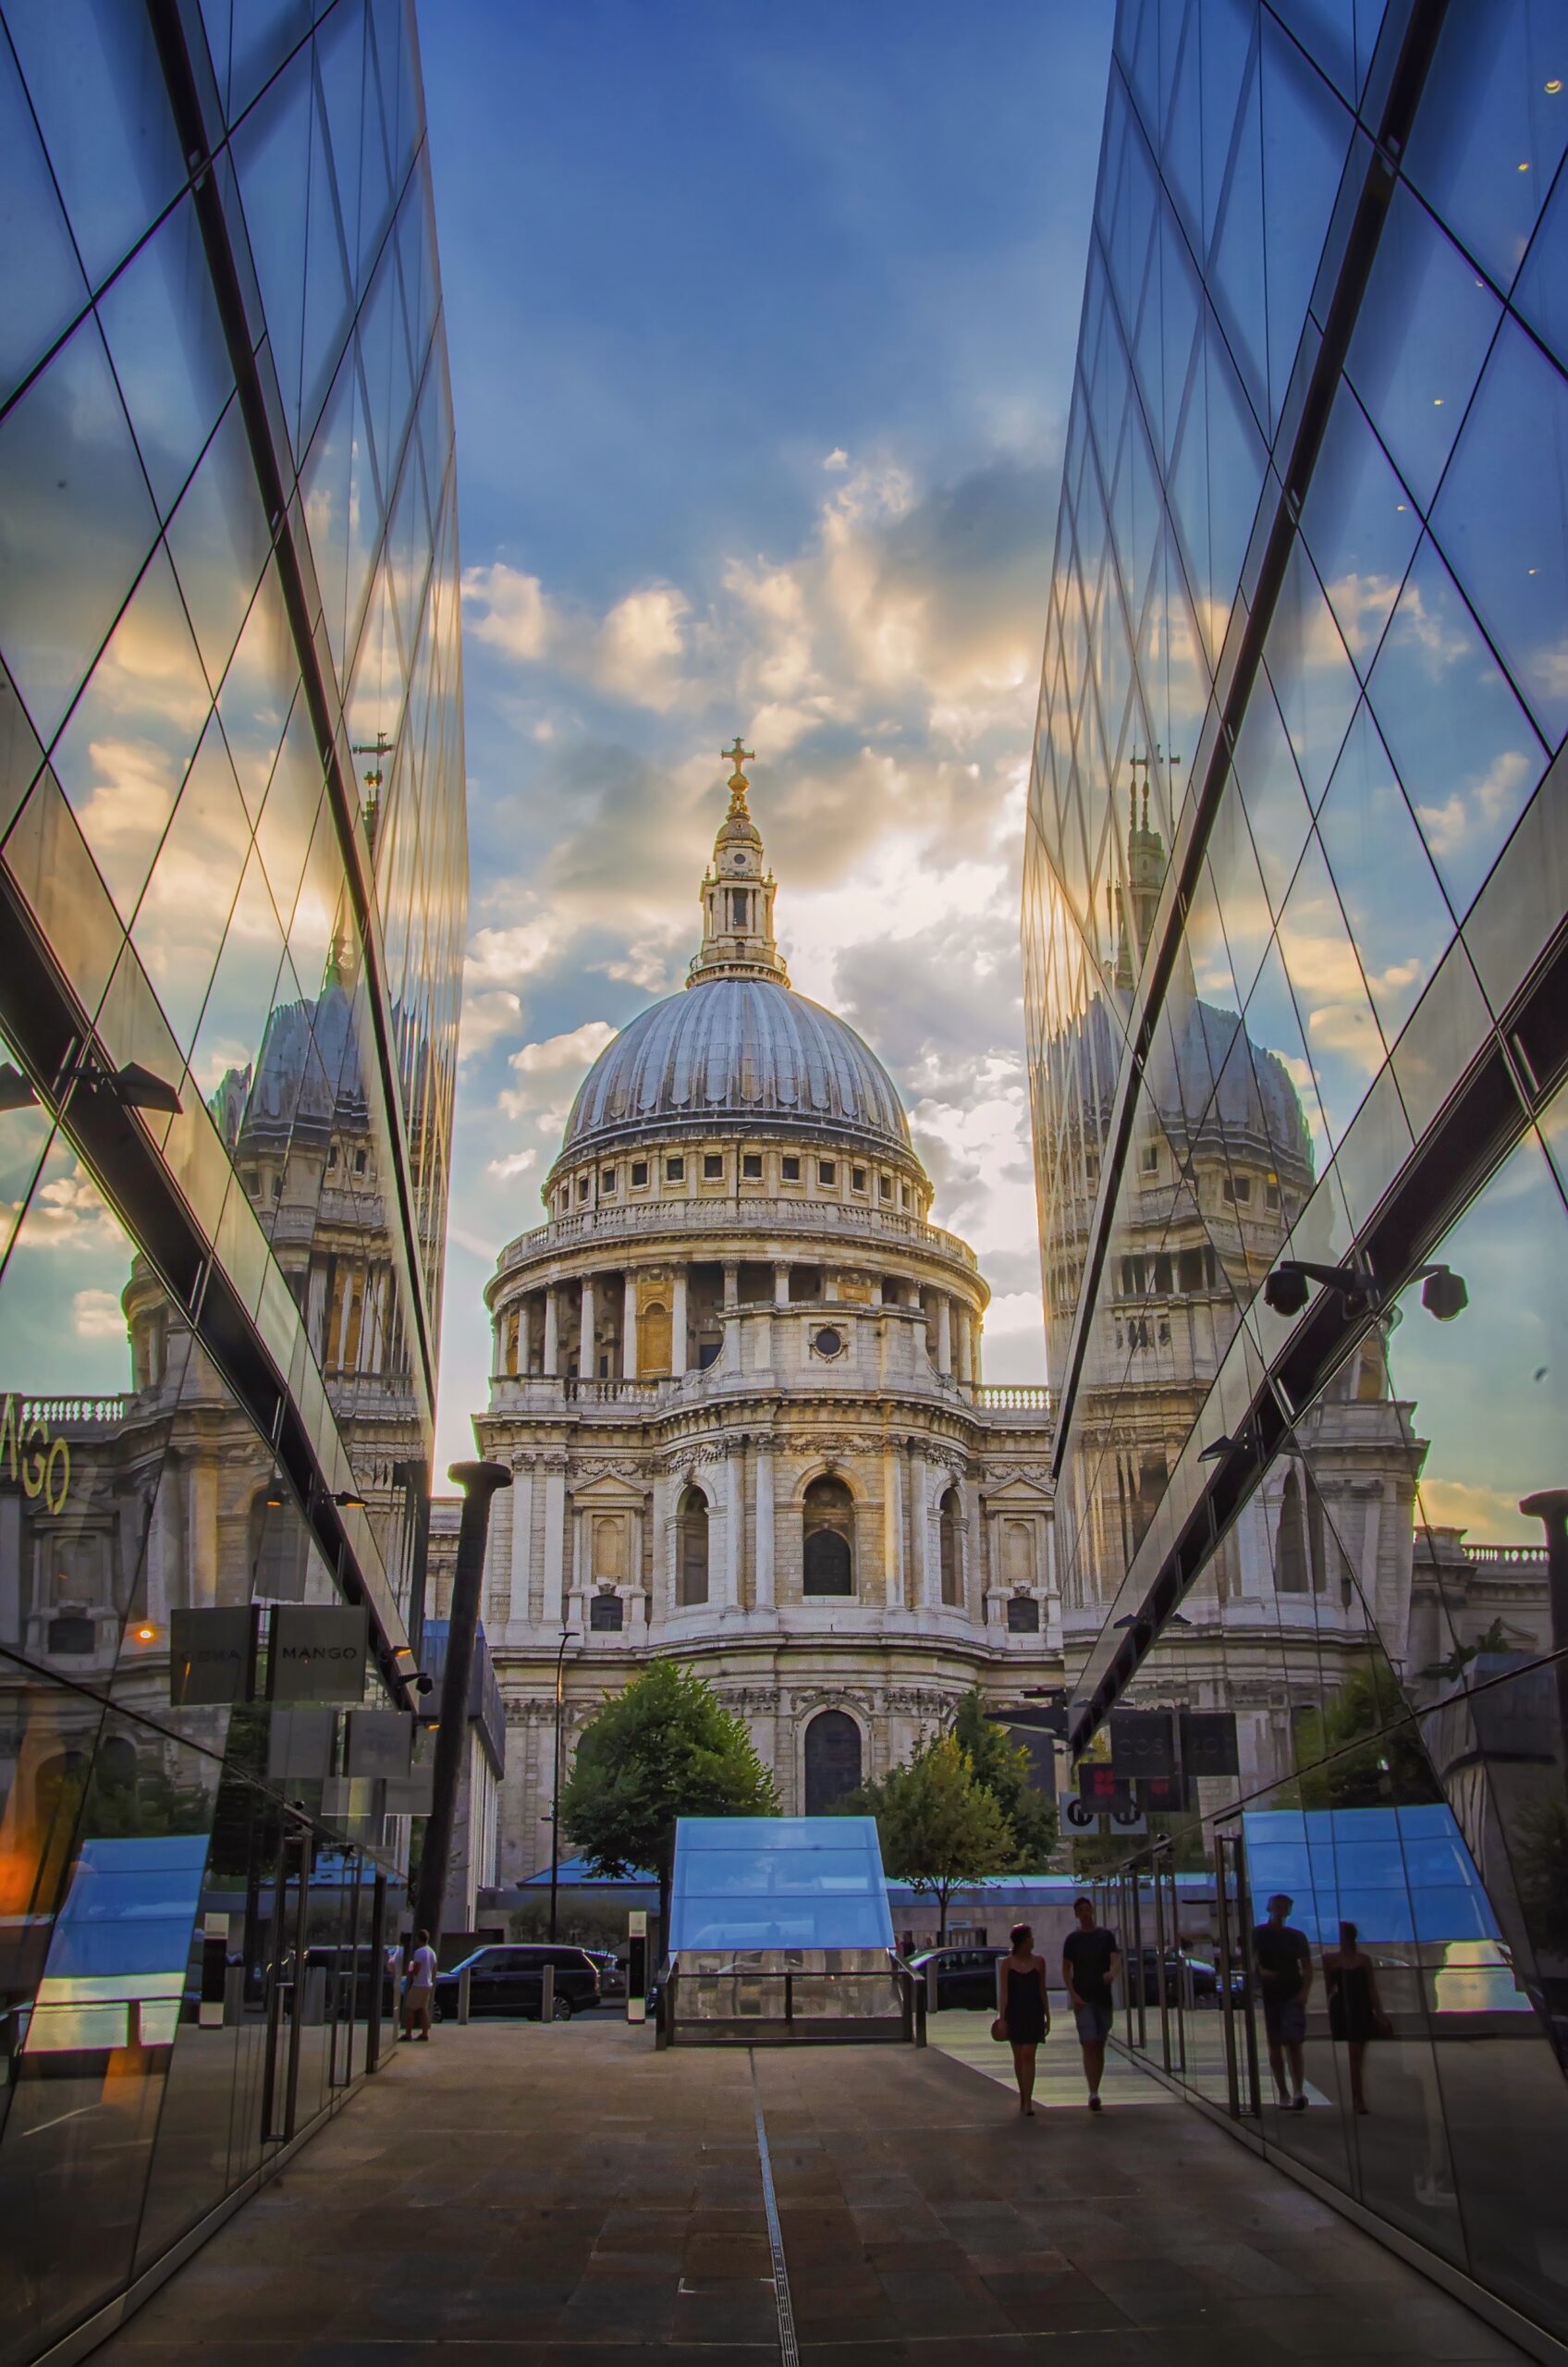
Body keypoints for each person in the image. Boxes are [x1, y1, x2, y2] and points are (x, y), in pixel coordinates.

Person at [1323, 1919, 1389, 2115]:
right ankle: (1357, 2098)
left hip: (1361, 2006)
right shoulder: (1331, 1960)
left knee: (1359, 2054)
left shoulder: (1363, 1960)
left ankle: (1358, 2097)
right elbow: (1329, 1988)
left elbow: (1371, 1988)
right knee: (1354, 2054)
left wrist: (1380, 2014)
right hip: (1344, 2006)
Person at [1254, 1893, 1313, 2110]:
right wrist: (1262, 1973)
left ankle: (1297, 2090)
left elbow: (1307, 1966)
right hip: (1272, 1994)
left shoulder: (1296, 1936)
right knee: (1276, 2045)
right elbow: (1252, 1961)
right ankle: (1284, 2092)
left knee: (1294, 2043)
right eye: (1277, 1906)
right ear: (1270, 1908)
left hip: (1291, 1992)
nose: (1279, 1911)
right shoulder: (1259, 1934)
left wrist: (1304, 1992)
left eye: (1283, 1907)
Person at [1061, 1895, 1120, 2111]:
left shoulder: (1105, 1937)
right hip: (1083, 1998)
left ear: (1092, 1911)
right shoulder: (1072, 1940)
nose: (1085, 1913)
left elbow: (1115, 1959)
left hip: (1103, 1997)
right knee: (1088, 2042)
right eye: (1081, 1911)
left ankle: (1097, 2085)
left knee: (1099, 2043)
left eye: (1088, 1909)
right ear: (1077, 1914)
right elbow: (1066, 1969)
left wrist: (1111, 1973)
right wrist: (1073, 1994)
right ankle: (1093, 2092)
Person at [995, 1921, 1050, 2116]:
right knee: (1019, 2056)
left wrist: (1047, 2014)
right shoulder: (1007, 1964)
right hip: (1015, 2014)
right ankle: (1023, 2096)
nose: (1032, 1940)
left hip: (1033, 2013)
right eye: (1029, 1937)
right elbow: (1004, 1993)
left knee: (1029, 2054)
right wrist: (1002, 2018)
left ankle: (1029, 2101)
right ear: (1022, 1941)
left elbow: (1042, 1989)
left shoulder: (1039, 1962)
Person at [400, 1928, 437, 2042]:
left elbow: (416, 1969)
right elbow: (434, 1968)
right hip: (428, 1984)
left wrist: (409, 1971)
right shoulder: (432, 1952)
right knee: (423, 2008)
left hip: (418, 1984)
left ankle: (408, 2033)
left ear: (419, 1939)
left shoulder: (419, 1952)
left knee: (409, 2008)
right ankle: (425, 2034)